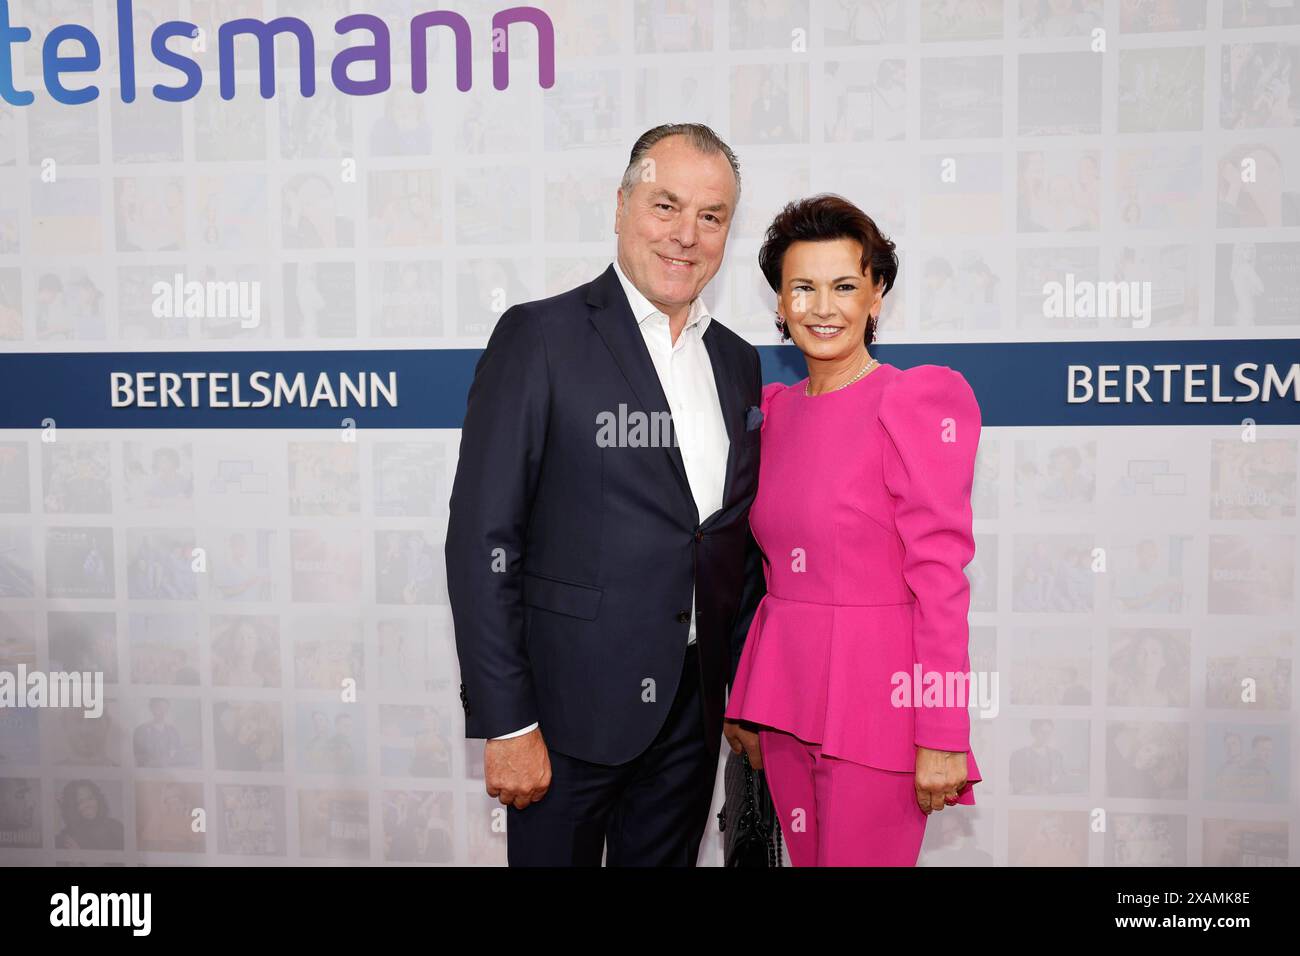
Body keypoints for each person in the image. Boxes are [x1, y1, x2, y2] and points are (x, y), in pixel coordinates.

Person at [445, 123, 766, 866]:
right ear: (621, 206)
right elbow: (483, 540)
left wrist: (746, 695)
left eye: (711, 216)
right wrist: (508, 722)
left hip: (692, 714)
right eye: (666, 205)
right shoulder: (540, 337)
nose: (686, 235)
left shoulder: (738, 361)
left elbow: (732, 542)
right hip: (563, 720)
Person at [725, 194, 983, 866]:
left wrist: (944, 728)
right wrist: (744, 698)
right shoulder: (773, 413)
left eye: (845, 286)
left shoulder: (915, 400)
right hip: (784, 698)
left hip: (879, 704)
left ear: (877, 297)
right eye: (801, 288)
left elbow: (941, 580)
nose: (822, 307)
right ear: (779, 306)